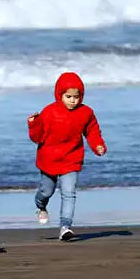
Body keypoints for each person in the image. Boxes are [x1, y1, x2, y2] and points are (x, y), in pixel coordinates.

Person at [28, 72, 107, 241]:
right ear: (60, 95)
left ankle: (65, 226)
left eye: (76, 97)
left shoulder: (86, 112)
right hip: (49, 158)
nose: (72, 100)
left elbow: (92, 132)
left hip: (72, 158)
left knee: (69, 192)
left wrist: (98, 145)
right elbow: (37, 138)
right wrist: (34, 124)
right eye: (68, 96)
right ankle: (40, 206)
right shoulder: (49, 112)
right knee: (46, 190)